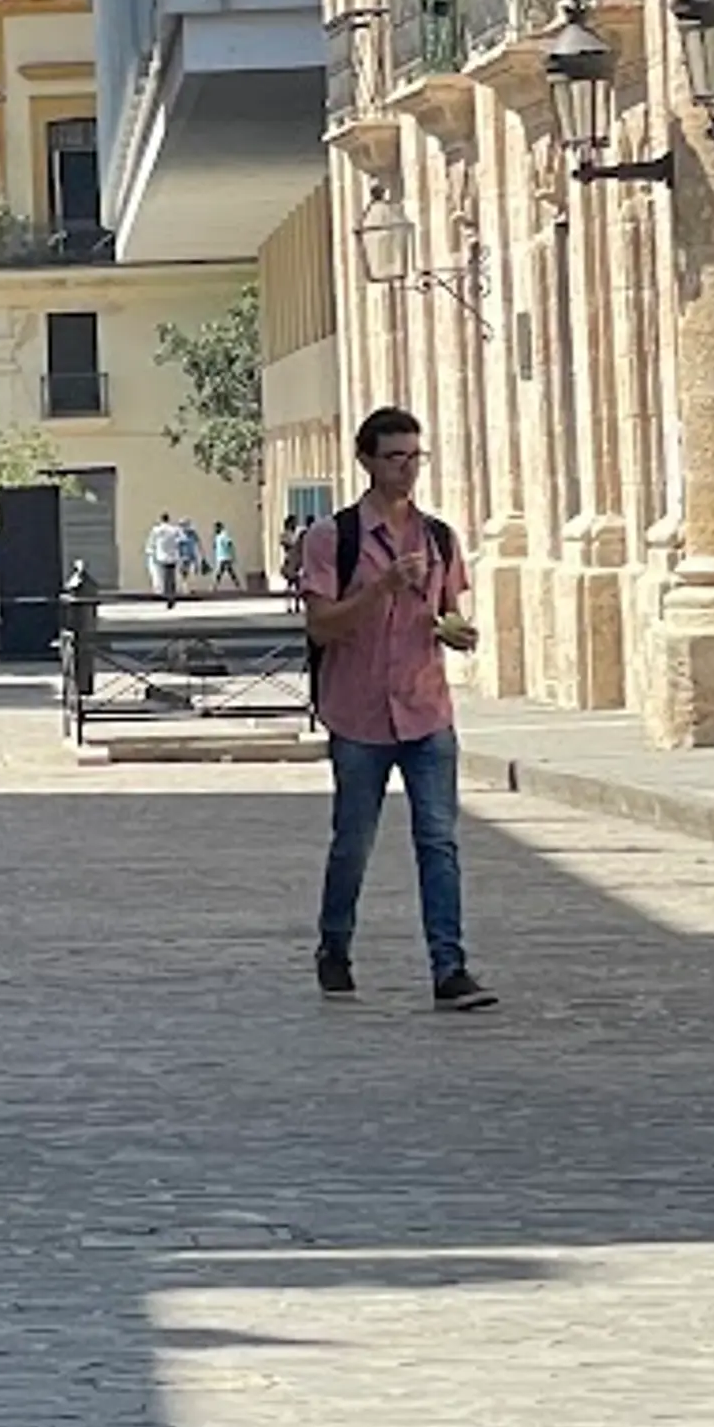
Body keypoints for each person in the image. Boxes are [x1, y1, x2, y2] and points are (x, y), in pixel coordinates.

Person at [292, 404, 494, 1011]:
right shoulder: (335, 537)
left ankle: (449, 968)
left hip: (426, 708)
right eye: (394, 458)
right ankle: (335, 946)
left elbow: (448, 610)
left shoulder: (438, 537)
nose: (407, 470)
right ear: (367, 461)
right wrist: (378, 587)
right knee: (353, 840)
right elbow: (321, 625)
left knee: (438, 840)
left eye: (415, 457)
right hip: (358, 715)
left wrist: (458, 632)